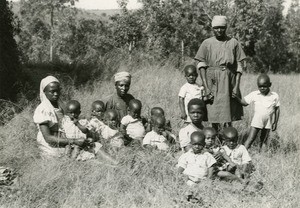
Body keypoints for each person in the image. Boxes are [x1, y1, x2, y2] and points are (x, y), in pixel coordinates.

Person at [194, 15, 246, 132]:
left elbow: (239, 65)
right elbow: (201, 65)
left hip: (229, 81)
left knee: (229, 114)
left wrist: (236, 87)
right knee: (213, 113)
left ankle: (229, 139)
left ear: (226, 27)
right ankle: (215, 139)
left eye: (222, 27)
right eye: (216, 28)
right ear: (212, 28)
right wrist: (206, 87)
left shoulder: (233, 43)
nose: (219, 30)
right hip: (212, 81)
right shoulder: (207, 43)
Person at [33, 76, 85, 158]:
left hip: (63, 138)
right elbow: (48, 138)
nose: (56, 94)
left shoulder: (60, 104)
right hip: (51, 143)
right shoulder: (43, 109)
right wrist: (73, 141)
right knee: (76, 154)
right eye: (52, 91)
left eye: (57, 91)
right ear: (44, 92)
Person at [233, 74, 280, 151]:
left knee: (264, 139)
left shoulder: (274, 96)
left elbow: (277, 109)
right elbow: (244, 103)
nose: (262, 88)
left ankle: (262, 154)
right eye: (260, 86)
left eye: (264, 86)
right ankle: (242, 153)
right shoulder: (255, 94)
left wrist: (275, 122)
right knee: (251, 138)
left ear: (270, 85)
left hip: (268, 121)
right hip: (257, 120)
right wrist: (236, 98)